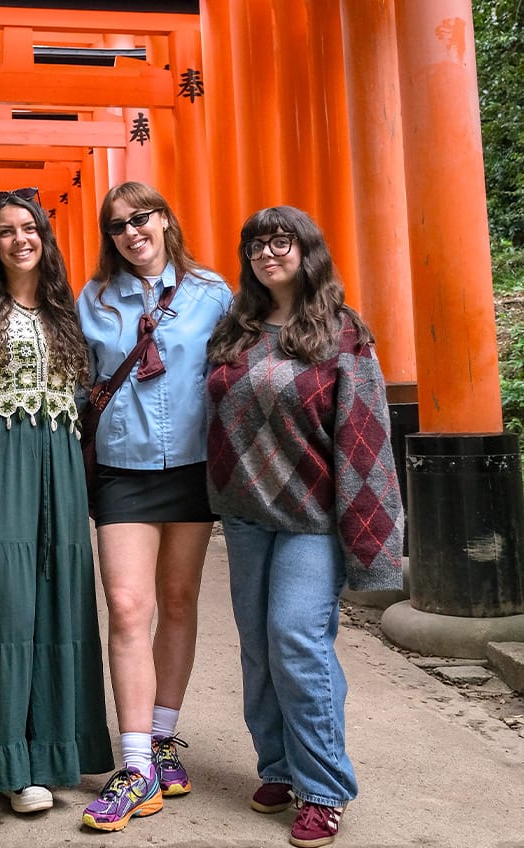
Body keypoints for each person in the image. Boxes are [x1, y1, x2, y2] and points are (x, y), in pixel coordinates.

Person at [206, 206, 405, 848]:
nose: (268, 254)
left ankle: (322, 788)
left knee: (296, 639)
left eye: (281, 241)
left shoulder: (342, 334)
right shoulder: (235, 330)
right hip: (245, 513)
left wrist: (373, 546)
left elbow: (367, 438)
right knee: (258, 646)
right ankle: (278, 766)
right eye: (257, 244)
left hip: (311, 519)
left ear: (306, 251)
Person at [0, 187, 113, 815]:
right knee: (1, 608)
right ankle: (4, 762)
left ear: (45, 237)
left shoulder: (67, 313)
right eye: (6, 230)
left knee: (58, 602)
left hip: (58, 469)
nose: (20, 239)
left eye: (30, 227)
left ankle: (50, 754)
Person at [76, 181, 231, 832]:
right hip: (122, 467)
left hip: (193, 465)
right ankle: (135, 765)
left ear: (166, 218)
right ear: (109, 238)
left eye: (142, 218)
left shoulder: (213, 293)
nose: (132, 231)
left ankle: (165, 737)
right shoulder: (94, 300)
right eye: (117, 225)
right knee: (128, 605)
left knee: (175, 601)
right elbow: (76, 378)